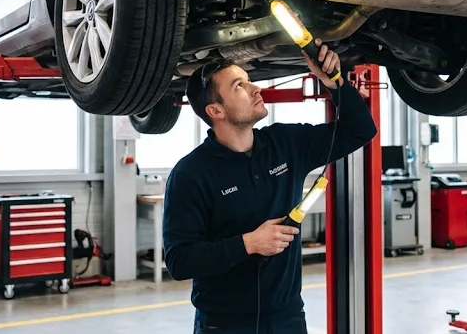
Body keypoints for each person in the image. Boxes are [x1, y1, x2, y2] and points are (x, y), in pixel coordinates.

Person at [162, 40, 378, 334]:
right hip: (224, 325)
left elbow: (360, 130)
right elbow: (179, 261)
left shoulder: (285, 144)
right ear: (216, 110)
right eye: (239, 86)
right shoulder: (191, 174)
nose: (256, 89)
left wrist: (334, 82)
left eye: (249, 80)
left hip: (287, 318)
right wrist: (249, 243)